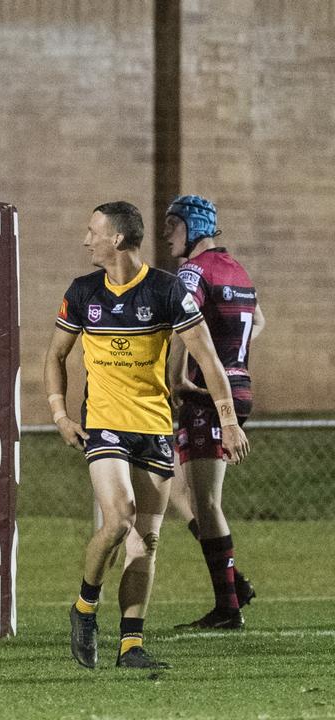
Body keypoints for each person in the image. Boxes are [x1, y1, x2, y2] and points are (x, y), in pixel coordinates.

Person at [44, 201, 249, 670]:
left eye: (92, 230)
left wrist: (228, 418)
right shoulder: (82, 292)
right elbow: (54, 357)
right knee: (119, 519)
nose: (85, 239)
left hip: (154, 427)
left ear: (117, 238)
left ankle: (130, 646)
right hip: (104, 425)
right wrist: (59, 416)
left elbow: (209, 359)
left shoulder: (166, 290)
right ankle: (84, 608)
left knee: (146, 541)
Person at [161, 195, 264, 629]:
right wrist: (232, 360)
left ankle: (228, 607)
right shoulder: (236, 270)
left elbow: (184, 330)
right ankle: (232, 583)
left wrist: (174, 382)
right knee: (177, 489)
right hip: (236, 388)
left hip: (206, 396)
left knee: (206, 501)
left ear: (192, 227)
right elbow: (257, 321)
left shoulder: (192, 271)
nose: (167, 235)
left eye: (172, 226)